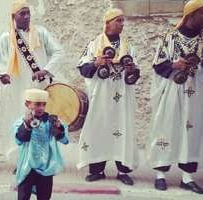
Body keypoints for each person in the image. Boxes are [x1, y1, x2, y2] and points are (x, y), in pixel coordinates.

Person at [76, 7, 140, 185]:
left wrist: (132, 69)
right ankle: (97, 170)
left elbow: (137, 71)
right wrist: (96, 63)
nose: (122, 24)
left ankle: (123, 170)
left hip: (122, 95)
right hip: (101, 94)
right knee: (99, 127)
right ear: (108, 23)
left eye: (122, 21)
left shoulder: (129, 45)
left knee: (123, 126)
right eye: (118, 20)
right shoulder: (94, 44)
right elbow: (82, 67)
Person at [0, 0, 63, 160]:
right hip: (16, 88)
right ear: (13, 17)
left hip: (38, 87)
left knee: (41, 120)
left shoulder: (41, 33)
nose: (26, 16)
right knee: (18, 119)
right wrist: (3, 74)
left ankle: (42, 157)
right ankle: (21, 159)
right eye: (22, 13)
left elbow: (58, 52)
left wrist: (45, 70)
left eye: (28, 13)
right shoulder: (6, 37)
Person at [147, 0, 203, 194]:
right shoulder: (170, 37)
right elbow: (157, 64)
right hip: (172, 89)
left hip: (195, 91)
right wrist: (174, 65)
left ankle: (187, 177)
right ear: (191, 15)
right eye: (202, 13)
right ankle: (160, 175)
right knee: (166, 127)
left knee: (192, 131)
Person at [13, 88, 68, 200]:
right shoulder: (20, 121)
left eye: (44, 104)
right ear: (27, 104)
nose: (41, 108)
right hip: (28, 165)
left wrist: (58, 128)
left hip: (47, 165)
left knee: (44, 196)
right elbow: (19, 140)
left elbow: (64, 140)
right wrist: (27, 125)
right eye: (37, 104)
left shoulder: (51, 120)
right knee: (23, 195)